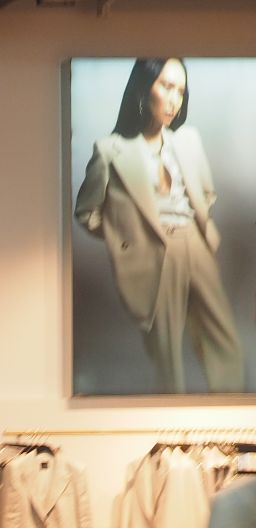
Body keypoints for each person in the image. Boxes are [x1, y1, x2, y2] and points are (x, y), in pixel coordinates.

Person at [74, 57, 242, 394]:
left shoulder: (188, 141)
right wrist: (126, 239)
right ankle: (172, 428)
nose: (173, 98)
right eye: (166, 86)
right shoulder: (110, 150)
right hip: (153, 251)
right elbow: (87, 212)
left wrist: (200, 228)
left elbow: (206, 193)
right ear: (143, 87)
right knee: (166, 351)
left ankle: (229, 414)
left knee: (224, 340)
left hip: (195, 243)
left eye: (180, 89)